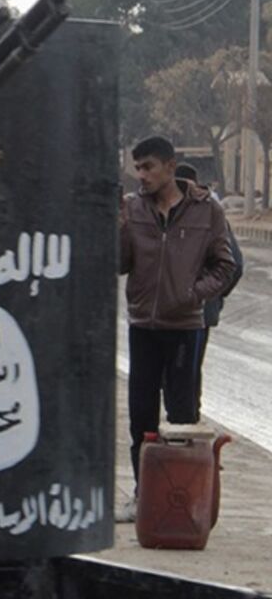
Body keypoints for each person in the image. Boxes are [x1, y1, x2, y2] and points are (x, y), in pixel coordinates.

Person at [118, 137, 237, 522]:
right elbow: (120, 264)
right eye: (138, 168)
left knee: (182, 417)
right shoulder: (133, 209)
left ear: (171, 167)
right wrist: (118, 227)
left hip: (185, 327)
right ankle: (143, 497)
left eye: (149, 167)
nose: (142, 176)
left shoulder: (206, 211)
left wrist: (194, 296)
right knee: (141, 418)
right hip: (143, 326)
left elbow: (226, 265)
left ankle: (185, 498)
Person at [174, 163, 244, 410]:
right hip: (187, 312)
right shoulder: (211, 213)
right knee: (189, 375)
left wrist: (205, 295)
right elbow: (235, 266)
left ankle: (185, 425)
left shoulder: (207, 215)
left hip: (189, 313)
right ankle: (187, 420)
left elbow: (233, 266)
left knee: (181, 376)